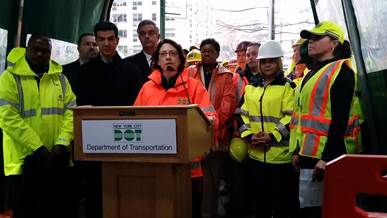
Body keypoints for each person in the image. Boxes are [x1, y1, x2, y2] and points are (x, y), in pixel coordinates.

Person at [133, 38, 217, 218]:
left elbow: (209, 117)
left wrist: (206, 123)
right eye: (163, 54)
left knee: (188, 211)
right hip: (155, 166)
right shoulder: (147, 88)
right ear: (157, 60)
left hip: (188, 169)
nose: (168, 58)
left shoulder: (193, 87)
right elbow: (135, 122)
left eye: (172, 54)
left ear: (180, 60)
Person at [289, 21, 362, 218]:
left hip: (327, 158)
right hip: (308, 155)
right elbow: (303, 117)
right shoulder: (312, 72)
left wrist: (327, 158)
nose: (310, 42)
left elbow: (341, 119)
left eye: (317, 38)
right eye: (310, 38)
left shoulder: (342, 72)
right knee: (309, 208)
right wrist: (297, 151)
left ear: (334, 43)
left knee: (323, 211)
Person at [0, 33, 77, 218]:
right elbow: (8, 117)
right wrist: (37, 147)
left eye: (45, 51)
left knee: (56, 209)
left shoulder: (60, 79)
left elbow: (71, 112)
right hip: (25, 160)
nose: (41, 54)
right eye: (36, 49)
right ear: (27, 50)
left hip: (56, 157)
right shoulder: (10, 78)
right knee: (27, 210)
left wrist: (62, 142)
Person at [78, 21, 143, 218]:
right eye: (101, 39)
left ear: (117, 40)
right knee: (96, 192)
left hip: (126, 141)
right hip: (95, 143)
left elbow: (138, 106)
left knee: (125, 191)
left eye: (110, 39)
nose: (106, 44)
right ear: (96, 41)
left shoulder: (130, 70)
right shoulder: (86, 72)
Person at [235, 40, 299, 218]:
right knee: (261, 205)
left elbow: (291, 117)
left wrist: (272, 136)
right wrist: (249, 136)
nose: (267, 64)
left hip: (281, 159)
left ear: (278, 62)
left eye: (271, 61)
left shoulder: (288, 87)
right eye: (264, 61)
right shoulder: (250, 88)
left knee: (283, 207)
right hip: (256, 156)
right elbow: (240, 114)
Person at [188, 38, 236, 218]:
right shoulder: (190, 73)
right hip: (191, 137)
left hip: (216, 138)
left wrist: (209, 128)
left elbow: (227, 107)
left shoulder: (226, 76)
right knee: (192, 182)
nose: (206, 53)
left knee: (210, 184)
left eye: (210, 51)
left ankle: (208, 214)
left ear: (217, 54)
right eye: (203, 50)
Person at [63, 33, 98, 99]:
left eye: (95, 44)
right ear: (78, 48)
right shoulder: (65, 71)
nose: (92, 47)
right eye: (87, 44)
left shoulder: (106, 71)